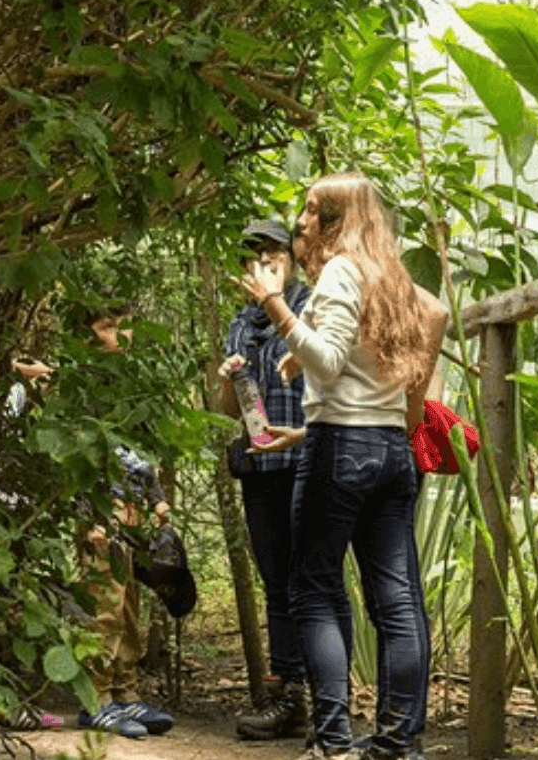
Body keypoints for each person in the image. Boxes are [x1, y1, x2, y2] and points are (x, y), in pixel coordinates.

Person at [236, 172, 448, 760]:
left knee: (315, 589)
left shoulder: (340, 272)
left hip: (343, 450)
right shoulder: (392, 276)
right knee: (398, 601)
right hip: (389, 451)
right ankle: (396, 745)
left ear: (334, 222)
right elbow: (435, 315)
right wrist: (304, 429)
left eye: (310, 211)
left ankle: (333, 744)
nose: (300, 222)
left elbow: (326, 362)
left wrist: (275, 304)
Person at [212, 218, 312, 742]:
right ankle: (287, 696)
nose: (264, 262)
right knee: (276, 578)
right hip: (260, 465)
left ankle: (324, 698)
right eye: (254, 256)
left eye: (273, 252)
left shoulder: (312, 306)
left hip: (305, 458)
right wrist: (229, 377)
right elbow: (226, 408)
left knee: (311, 577)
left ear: (292, 258)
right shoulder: (241, 323)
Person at [71, 308, 177, 739]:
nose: (122, 334)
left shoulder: (134, 387)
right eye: (109, 326)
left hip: (135, 511)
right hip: (102, 508)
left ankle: (124, 692)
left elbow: (145, 455)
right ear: (89, 335)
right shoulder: (82, 387)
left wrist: (157, 502)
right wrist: (86, 516)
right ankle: (93, 698)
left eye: (125, 323)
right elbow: (73, 459)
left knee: (132, 604)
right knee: (103, 604)